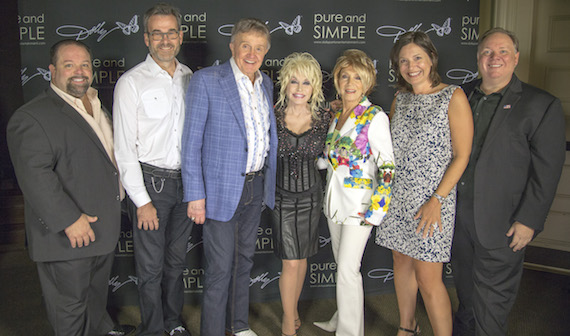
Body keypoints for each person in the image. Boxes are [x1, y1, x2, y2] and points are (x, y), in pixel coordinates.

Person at [6, 39, 133, 336]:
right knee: (69, 308)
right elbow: (35, 176)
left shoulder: (97, 105)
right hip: (68, 234)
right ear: (52, 70)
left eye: (85, 64)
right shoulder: (32, 117)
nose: (79, 71)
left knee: (94, 295)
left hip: (102, 226)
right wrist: (68, 220)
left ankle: (102, 330)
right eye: (69, 65)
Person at [451, 27, 566, 336]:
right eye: (487, 52)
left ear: (515, 58)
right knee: (465, 294)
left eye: (503, 52)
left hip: (503, 222)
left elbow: (547, 171)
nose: (494, 58)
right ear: (478, 58)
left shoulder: (542, 105)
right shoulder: (459, 95)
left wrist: (529, 220)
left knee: (493, 302)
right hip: (458, 218)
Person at [181, 18, 277, 336]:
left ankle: (237, 325)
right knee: (220, 268)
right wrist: (195, 194)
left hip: (254, 185)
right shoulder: (207, 80)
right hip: (219, 191)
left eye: (259, 48)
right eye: (245, 45)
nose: (252, 53)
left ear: (266, 52)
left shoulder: (265, 84)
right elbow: (191, 143)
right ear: (232, 46)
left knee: (243, 261)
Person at [375, 31, 473, 336]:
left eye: (417, 57)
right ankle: (408, 327)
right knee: (401, 262)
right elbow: (388, 145)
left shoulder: (452, 96)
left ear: (431, 59)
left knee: (430, 279)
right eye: (403, 60)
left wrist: (437, 200)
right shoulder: (400, 98)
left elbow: (462, 155)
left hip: (432, 202)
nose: (411, 65)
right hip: (397, 198)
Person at [113, 3, 193, 336]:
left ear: (180, 35)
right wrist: (141, 200)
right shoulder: (131, 83)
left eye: (170, 32)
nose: (165, 39)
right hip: (151, 186)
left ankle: (173, 323)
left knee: (176, 264)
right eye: (157, 33)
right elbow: (123, 148)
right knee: (150, 269)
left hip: (187, 185)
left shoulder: (191, 78)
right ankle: (154, 330)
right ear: (146, 38)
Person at [313, 49, 394, 336]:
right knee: (342, 267)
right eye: (344, 76)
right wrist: (317, 160)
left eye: (357, 77)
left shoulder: (375, 116)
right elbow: (333, 156)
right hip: (334, 202)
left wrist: (377, 210)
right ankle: (342, 316)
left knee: (348, 270)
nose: (350, 82)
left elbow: (387, 166)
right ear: (336, 80)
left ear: (368, 82)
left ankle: (350, 332)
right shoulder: (337, 113)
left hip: (360, 206)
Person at [270, 52, 330, 336]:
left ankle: (291, 312)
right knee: (290, 260)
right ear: (284, 84)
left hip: (311, 196)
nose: (298, 88)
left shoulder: (325, 117)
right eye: (293, 81)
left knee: (302, 258)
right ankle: (288, 321)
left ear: (315, 87)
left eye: (306, 82)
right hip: (281, 196)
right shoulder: (271, 114)